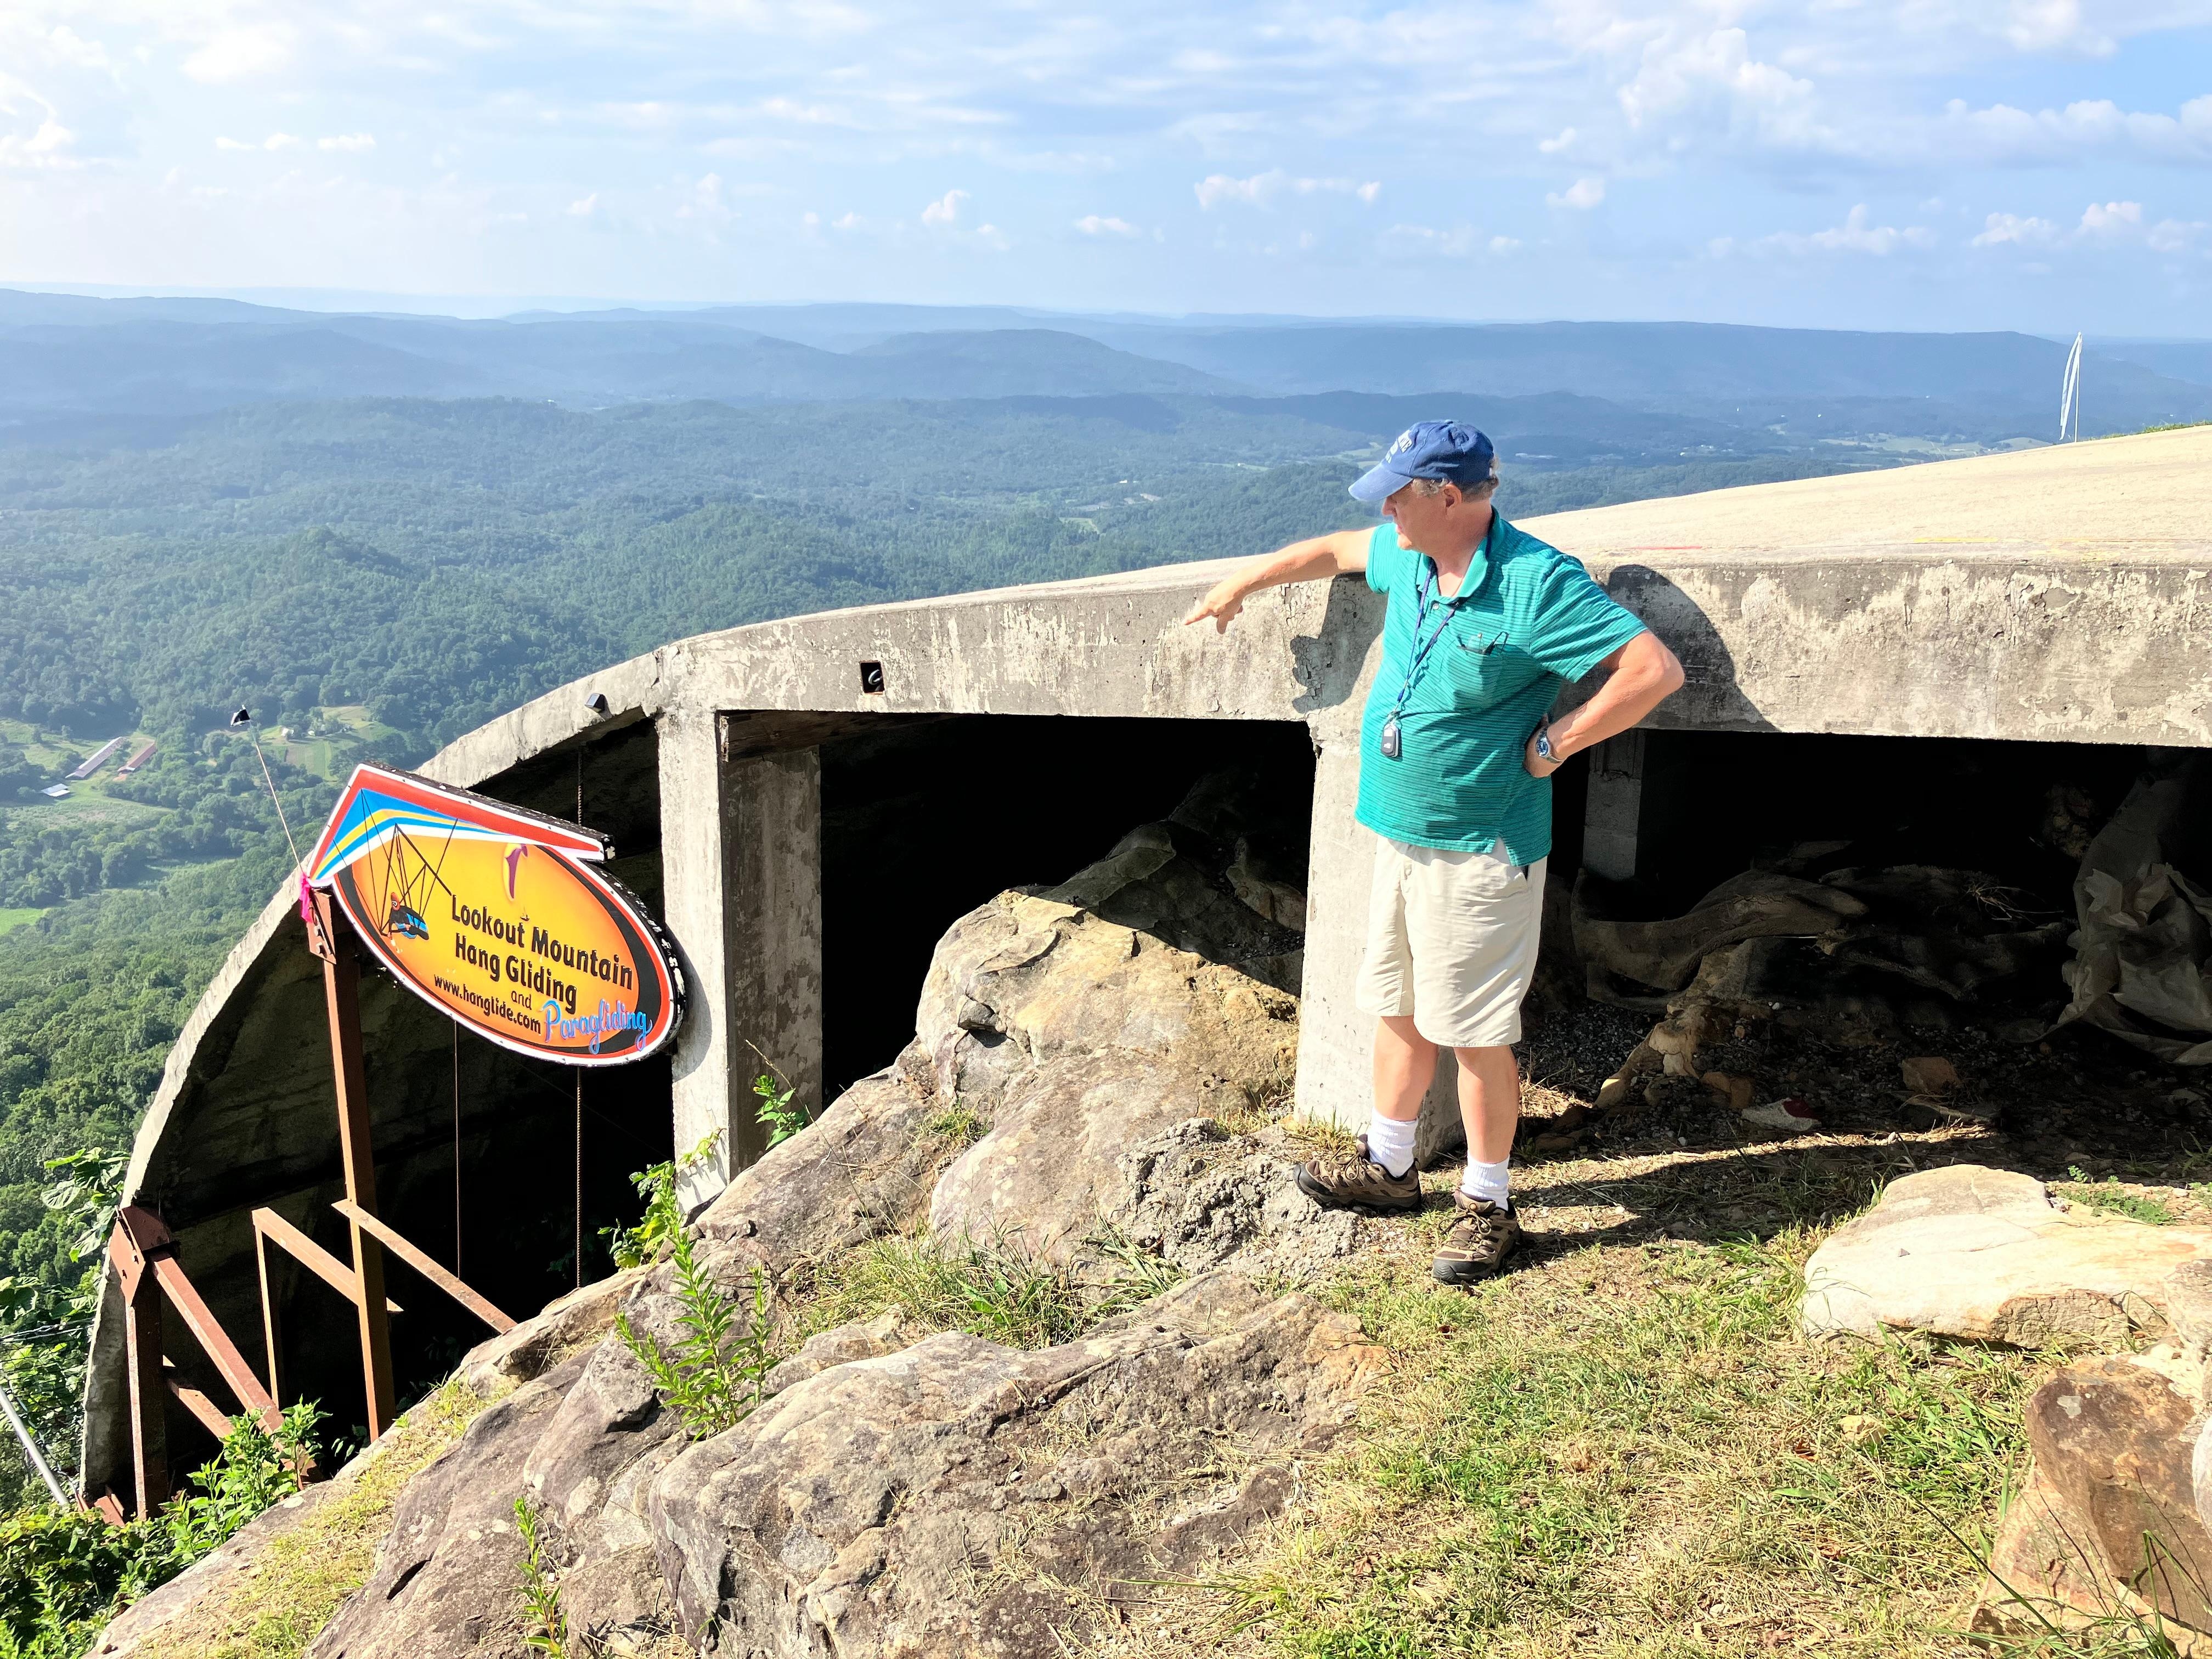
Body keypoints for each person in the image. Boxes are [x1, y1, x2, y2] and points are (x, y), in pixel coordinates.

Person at [1182, 421, 1684, 1283]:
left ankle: (1490, 1205)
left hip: (1483, 847)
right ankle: (1390, 1167)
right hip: (1401, 836)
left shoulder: (1535, 583)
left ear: (1449, 497)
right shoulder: (1412, 555)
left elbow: (1652, 671)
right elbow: (1334, 550)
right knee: (1399, 1008)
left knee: (1477, 1035)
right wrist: (1242, 583)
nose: (1386, 509)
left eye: (1399, 494)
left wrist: (1556, 744)